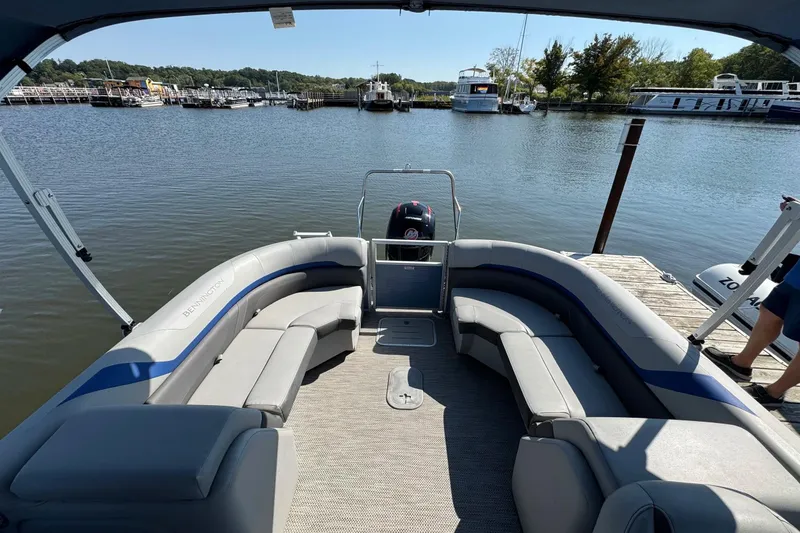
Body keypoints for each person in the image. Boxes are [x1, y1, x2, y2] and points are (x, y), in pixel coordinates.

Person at [707, 197, 800, 407]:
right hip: (797, 277)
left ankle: (773, 393)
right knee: (771, 310)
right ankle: (741, 363)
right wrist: (795, 210)